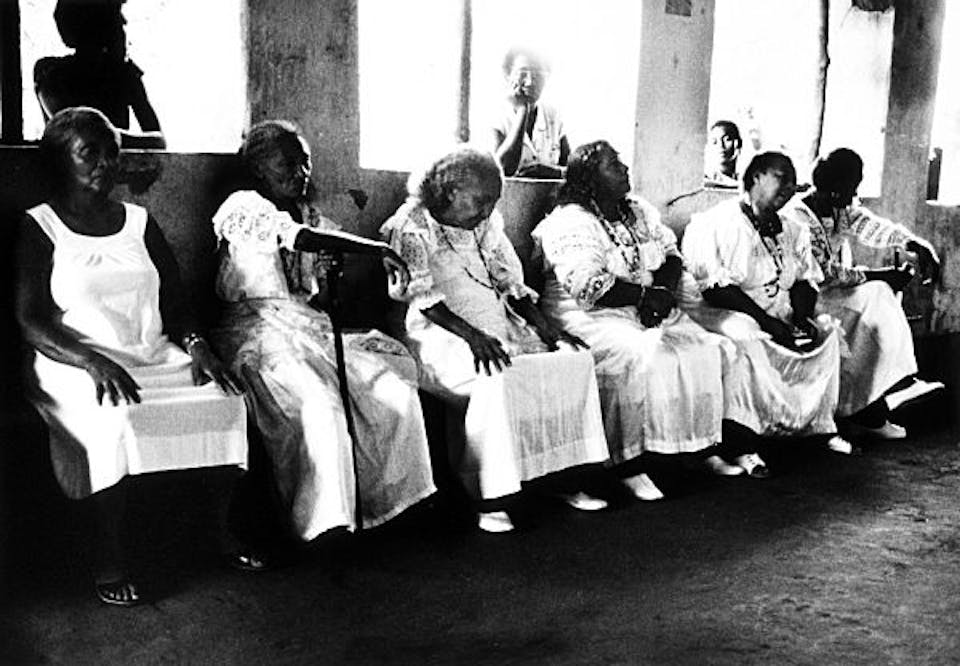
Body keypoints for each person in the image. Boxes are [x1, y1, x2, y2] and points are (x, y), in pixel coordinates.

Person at [15, 107, 251, 607]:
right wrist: (91, 361)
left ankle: (219, 531)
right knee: (118, 418)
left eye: (111, 152)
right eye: (89, 153)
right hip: (72, 360)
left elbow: (176, 302)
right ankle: (108, 554)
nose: (105, 163)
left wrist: (198, 347)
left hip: (153, 353)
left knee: (227, 400)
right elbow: (30, 319)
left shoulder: (140, 222)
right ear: (60, 161)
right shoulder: (41, 226)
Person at [209, 120, 435, 543]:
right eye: (287, 165)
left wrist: (333, 281)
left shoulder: (312, 216)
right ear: (259, 170)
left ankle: (391, 505)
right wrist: (375, 248)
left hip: (307, 327)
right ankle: (324, 524)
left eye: (305, 163)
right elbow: (299, 239)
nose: (300, 173)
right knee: (321, 409)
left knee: (393, 393)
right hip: (257, 331)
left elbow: (322, 283)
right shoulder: (243, 207)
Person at [381, 146, 609, 533]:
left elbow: (511, 283)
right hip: (438, 336)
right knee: (497, 375)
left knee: (573, 358)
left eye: (494, 201)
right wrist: (473, 337)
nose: (488, 210)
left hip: (497, 326)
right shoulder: (410, 225)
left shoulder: (486, 225)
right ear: (449, 191)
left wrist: (546, 327)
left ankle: (562, 478)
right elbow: (421, 298)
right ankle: (490, 498)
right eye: (481, 200)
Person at [533, 140, 749, 492]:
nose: (624, 168)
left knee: (706, 350)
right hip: (590, 315)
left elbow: (671, 255)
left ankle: (698, 447)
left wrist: (660, 293)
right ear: (589, 178)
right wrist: (647, 297)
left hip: (648, 305)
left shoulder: (638, 210)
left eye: (621, 162)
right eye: (613, 164)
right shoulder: (570, 221)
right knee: (645, 355)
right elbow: (588, 285)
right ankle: (629, 463)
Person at [681, 151, 851, 457]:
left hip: (776, 310)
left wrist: (801, 317)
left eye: (793, 181)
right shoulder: (715, 223)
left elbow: (804, 279)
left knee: (827, 331)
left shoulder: (792, 228)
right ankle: (743, 442)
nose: (789, 187)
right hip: (725, 309)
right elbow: (717, 290)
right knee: (747, 335)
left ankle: (817, 427)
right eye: (781, 178)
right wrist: (767, 321)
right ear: (755, 177)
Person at [780, 147, 943, 438]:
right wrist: (879, 274)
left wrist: (913, 243)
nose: (854, 194)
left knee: (879, 295)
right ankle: (883, 396)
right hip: (804, 299)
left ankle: (873, 398)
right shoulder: (797, 217)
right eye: (851, 187)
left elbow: (873, 227)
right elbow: (825, 272)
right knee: (877, 293)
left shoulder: (838, 210)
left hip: (831, 294)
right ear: (834, 188)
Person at [34, 0, 166, 149]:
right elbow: (77, 133)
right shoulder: (52, 73)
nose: (124, 22)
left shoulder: (124, 73)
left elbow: (158, 141)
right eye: (116, 16)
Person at [491, 48, 570, 179]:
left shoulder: (553, 116)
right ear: (508, 75)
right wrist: (523, 110)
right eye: (522, 74)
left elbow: (571, 171)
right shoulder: (496, 116)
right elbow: (501, 169)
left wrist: (552, 172)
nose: (530, 82)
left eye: (538, 75)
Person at [704, 120, 742, 188]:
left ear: (738, 143)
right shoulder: (706, 183)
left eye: (727, 139)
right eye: (714, 142)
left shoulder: (745, 180)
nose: (721, 145)